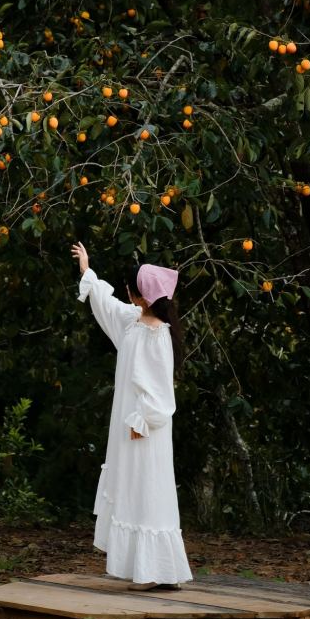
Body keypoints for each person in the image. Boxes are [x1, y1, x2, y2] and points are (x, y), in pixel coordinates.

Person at [71, 240, 193, 591]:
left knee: (149, 489)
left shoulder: (157, 336)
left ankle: (155, 570)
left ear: (139, 296)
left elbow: (160, 392)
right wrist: (87, 272)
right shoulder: (132, 321)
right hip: (130, 426)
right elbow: (107, 305)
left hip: (143, 428)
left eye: (130, 290)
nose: (126, 295)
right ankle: (147, 568)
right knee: (134, 489)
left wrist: (144, 421)